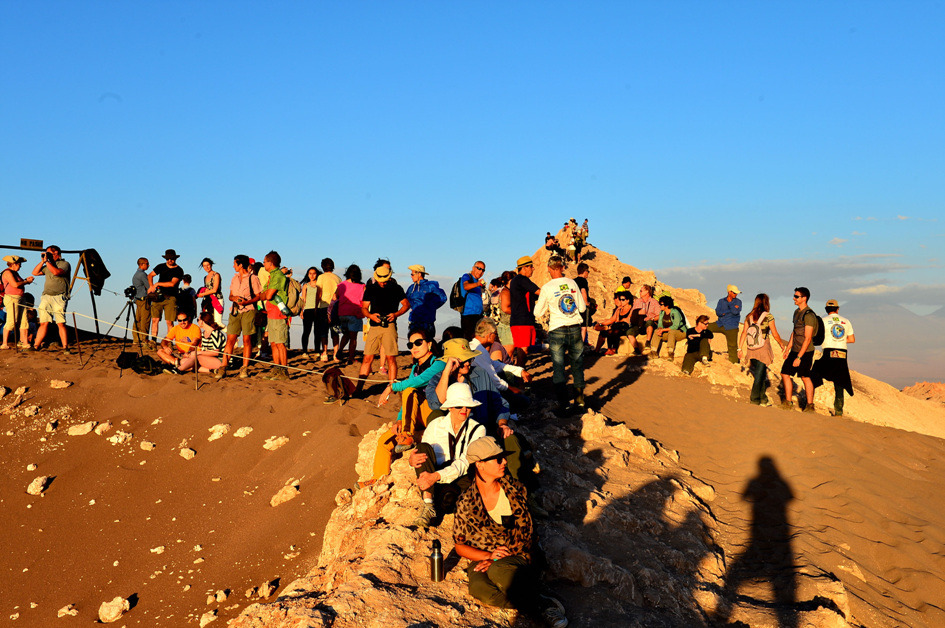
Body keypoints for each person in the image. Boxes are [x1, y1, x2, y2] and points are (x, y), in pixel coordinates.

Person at [453, 436, 568, 628]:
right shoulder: (466, 501)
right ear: (480, 464)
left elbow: (527, 534)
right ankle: (536, 600)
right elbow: (460, 545)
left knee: (499, 570)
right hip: (487, 557)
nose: (504, 462)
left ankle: (544, 607)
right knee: (479, 588)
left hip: (520, 555)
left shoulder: (514, 489)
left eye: (503, 457)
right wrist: (488, 555)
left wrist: (495, 560)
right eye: (498, 459)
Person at [368, 328, 446, 480]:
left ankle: (407, 434)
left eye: (418, 343)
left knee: (410, 389)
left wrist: (392, 387)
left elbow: (418, 381)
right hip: (415, 415)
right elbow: (408, 399)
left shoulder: (438, 363)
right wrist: (399, 419)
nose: (414, 347)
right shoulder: (415, 367)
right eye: (410, 345)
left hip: (432, 413)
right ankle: (377, 479)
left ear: (429, 344)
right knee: (384, 441)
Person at [408, 382, 486, 527]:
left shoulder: (478, 429)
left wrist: (436, 476)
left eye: (468, 406)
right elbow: (424, 454)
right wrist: (411, 460)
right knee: (422, 449)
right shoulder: (436, 425)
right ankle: (428, 504)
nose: (464, 410)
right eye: (458, 406)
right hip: (435, 473)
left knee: (449, 501)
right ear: (450, 407)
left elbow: (464, 463)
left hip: (461, 476)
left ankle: (440, 505)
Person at [534, 257, 586, 415]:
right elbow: (582, 308)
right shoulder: (572, 283)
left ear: (549, 269)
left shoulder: (547, 287)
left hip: (557, 329)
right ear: (562, 267)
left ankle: (564, 404)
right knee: (577, 366)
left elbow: (538, 313)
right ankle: (580, 402)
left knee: (558, 368)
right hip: (575, 327)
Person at [355, 265, 409, 395]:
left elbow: (406, 304)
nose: (383, 282)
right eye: (380, 279)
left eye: (385, 279)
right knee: (367, 357)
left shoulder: (396, 288)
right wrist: (370, 315)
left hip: (390, 326)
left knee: (391, 358)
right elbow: (364, 308)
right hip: (374, 326)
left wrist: (395, 314)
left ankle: (391, 388)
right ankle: (358, 389)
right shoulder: (371, 288)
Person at [470, 317, 531, 412]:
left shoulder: (475, 346)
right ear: (490, 335)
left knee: (505, 371)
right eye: (496, 334)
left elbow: (495, 364)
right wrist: (514, 390)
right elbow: (495, 380)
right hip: (480, 391)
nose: (496, 337)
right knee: (524, 401)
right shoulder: (479, 351)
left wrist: (519, 371)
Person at [737, 294, 786, 407]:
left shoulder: (749, 316)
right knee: (759, 375)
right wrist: (781, 344)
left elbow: (744, 332)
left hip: (751, 349)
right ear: (766, 303)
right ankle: (754, 400)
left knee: (761, 374)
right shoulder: (768, 316)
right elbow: (775, 333)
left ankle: (763, 399)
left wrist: (740, 348)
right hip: (763, 348)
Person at [219, 254, 262, 380]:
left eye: (234, 264)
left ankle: (244, 368)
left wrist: (246, 302)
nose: (233, 266)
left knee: (247, 339)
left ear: (240, 264)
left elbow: (258, 296)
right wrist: (236, 299)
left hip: (249, 310)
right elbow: (230, 296)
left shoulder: (253, 278)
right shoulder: (234, 278)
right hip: (235, 311)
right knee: (230, 339)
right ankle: (223, 366)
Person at [811, 299, 855, 416]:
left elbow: (817, 338)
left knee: (814, 374)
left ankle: (809, 403)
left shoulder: (823, 321)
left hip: (828, 351)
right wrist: (839, 340)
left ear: (826, 310)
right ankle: (839, 411)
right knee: (840, 380)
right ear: (838, 309)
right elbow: (852, 339)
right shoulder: (846, 321)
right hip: (842, 353)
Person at [781, 287, 818, 411]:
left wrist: (799, 357)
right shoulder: (797, 312)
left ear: (804, 298)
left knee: (805, 377)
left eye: (797, 296)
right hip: (795, 350)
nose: (794, 298)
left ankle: (810, 406)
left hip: (805, 352)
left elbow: (807, 338)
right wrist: (788, 349)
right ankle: (788, 402)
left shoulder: (809, 315)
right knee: (785, 373)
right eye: (794, 296)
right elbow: (795, 331)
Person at [31, 245, 72, 352]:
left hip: (59, 296)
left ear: (56, 253)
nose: (47, 255)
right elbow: (35, 272)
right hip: (46, 296)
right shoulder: (48, 265)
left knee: (60, 323)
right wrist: (43, 262)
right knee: (44, 322)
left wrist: (48, 262)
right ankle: (36, 345)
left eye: (49, 253)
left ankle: (65, 347)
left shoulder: (64, 264)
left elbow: (57, 272)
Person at [260, 251, 290, 380]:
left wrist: (264, 294)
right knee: (273, 343)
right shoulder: (272, 275)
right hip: (271, 313)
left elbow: (268, 295)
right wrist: (264, 294)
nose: (263, 264)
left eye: (265, 261)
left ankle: (284, 371)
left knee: (280, 343)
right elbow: (263, 294)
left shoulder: (278, 276)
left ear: (270, 263)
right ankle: (277, 369)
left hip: (279, 313)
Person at [508, 256, 540, 366]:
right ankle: (519, 378)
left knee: (523, 351)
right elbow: (539, 292)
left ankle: (519, 376)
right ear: (525, 268)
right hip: (522, 321)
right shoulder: (522, 279)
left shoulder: (518, 281)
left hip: (523, 321)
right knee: (523, 350)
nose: (533, 269)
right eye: (531, 266)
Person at [147, 249, 185, 341]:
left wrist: (157, 284)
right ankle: (153, 340)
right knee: (155, 320)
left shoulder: (179, 270)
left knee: (169, 322)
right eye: (167, 259)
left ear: (175, 259)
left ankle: (169, 342)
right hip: (158, 297)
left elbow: (172, 283)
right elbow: (150, 275)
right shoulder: (160, 266)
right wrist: (151, 286)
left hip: (171, 298)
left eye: (171, 259)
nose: (169, 261)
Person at [334, 264, 366, 366]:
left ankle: (340, 349)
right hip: (355, 313)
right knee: (353, 338)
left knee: (346, 334)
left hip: (342, 313)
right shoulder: (362, 286)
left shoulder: (341, 285)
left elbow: (335, 297)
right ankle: (350, 358)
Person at [405, 264, 447, 338]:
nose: (411, 276)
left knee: (427, 342)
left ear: (419, 274)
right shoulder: (411, 288)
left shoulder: (430, 286)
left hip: (427, 322)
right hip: (414, 321)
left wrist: (430, 308)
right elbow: (407, 300)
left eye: (412, 274)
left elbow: (443, 298)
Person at [2, 255, 34, 349]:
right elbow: (15, 284)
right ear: (14, 264)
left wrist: (25, 281)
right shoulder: (7, 272)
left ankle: (24, 342)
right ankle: (4, 343)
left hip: (21, 298)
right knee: (12, 321)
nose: (20, 266)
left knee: (24, 321)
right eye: (19, 264)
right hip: (12, 298)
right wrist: (26, 282)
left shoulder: (14, 272)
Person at [707, 285, 742, 364]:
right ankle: (706, 353)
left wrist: (729, 305)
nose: (736, 294)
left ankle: (734, 364)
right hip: (720, 324)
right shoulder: (721, 301)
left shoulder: (738, 302)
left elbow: (735, 312)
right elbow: (718, 312)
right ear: (729, 292)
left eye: (737, 293)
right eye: (734, 293)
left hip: (732, 326)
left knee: (732, 346)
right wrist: (728, 311)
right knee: (706, 328)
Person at [315, 258, 341, 362]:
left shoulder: (321, 277)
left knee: (323, 331)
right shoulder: (338, 278)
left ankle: (325, 353)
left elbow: (319, 293)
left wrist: (316, 306)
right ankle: (335, 354)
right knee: (335, 331)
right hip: (335, 306)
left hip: (324, 306)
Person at [593, 291, 633, 355]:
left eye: (623, 300)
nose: (621, 301)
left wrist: (618, 322)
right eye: (620, 299)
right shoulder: (619, 309)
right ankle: (599, 350)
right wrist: (601, 324)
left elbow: (627, 320)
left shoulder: (631, 308)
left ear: (628, 300)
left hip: (624, 327)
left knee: (615, 330)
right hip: (617, 327)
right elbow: (612, 319)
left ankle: (614, 349)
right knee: (607, 331)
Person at [650, 296, 688, 360]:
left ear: (667, 305)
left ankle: (671, 353)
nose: (660, 306)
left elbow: (675, 326)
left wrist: (663, 330)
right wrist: (660, 329)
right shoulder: (662, 312)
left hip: (680, 332)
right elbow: (660, 324)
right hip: (669, 333)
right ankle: (654, 351)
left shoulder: (675, 312)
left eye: (661, 304)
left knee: (672, 331)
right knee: (656, 331)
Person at [627, 284, 660, 354]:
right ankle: (636, 349)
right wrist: (638, 312)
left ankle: (648, 342)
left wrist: (652, 318)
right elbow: (631, 314)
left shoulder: (654, 302)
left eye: (641, 291)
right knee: (629, 332)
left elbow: (659, 315)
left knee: (649, 322)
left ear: (647, 292)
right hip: (639, 323)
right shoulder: (638, 301)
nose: (639, 292)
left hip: (649, 323)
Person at [460, 261, 487, 340]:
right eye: (479, 268)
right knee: (469, 339)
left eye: (483, 270)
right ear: (473, 268)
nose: (481, 271)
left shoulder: (477, 282)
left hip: (479, 315)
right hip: (469, 315)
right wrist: (478, 284)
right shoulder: (467, 276)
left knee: (479, 339)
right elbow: (466, 286)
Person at [299, 266, 321, 354]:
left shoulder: (319, 285)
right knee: (306, 331)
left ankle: (317, 350)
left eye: (314, 273)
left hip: (318, 309)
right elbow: (303, 298)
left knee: (317, 332)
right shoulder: (306, 285)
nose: (312, 276)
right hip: (308, 310)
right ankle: (304, 351)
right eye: (310, 274)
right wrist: (301, 311)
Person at [196, 258, 223, 326]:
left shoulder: (216, 275)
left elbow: (214, 290)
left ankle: (231, 334)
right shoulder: (205, 277)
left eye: (208, 265)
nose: (206, 267)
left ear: (211, 265)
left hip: (217, 299)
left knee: (218, 322)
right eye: (204, 266)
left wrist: (202, 294)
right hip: (208, 300)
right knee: (209, 322)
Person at [131, 257, 150, 349]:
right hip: (143, 299)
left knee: (137, 319)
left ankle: (136, 339)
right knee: (145, 319)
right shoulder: (142, 274)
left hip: (137, 299)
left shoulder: (136, 274)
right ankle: (143, 339)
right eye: (147, 264)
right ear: (142, 264)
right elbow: (149, 286)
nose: (148, 265)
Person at [574, 263, 591, 342]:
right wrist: (586, 303)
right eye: (588, 271)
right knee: (583, 327)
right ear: (585, 271)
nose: (588, 273)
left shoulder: (573, 281)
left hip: (574, 306)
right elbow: (583, 291)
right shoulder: (583, 281)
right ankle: (581, 345)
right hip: (582, 306)